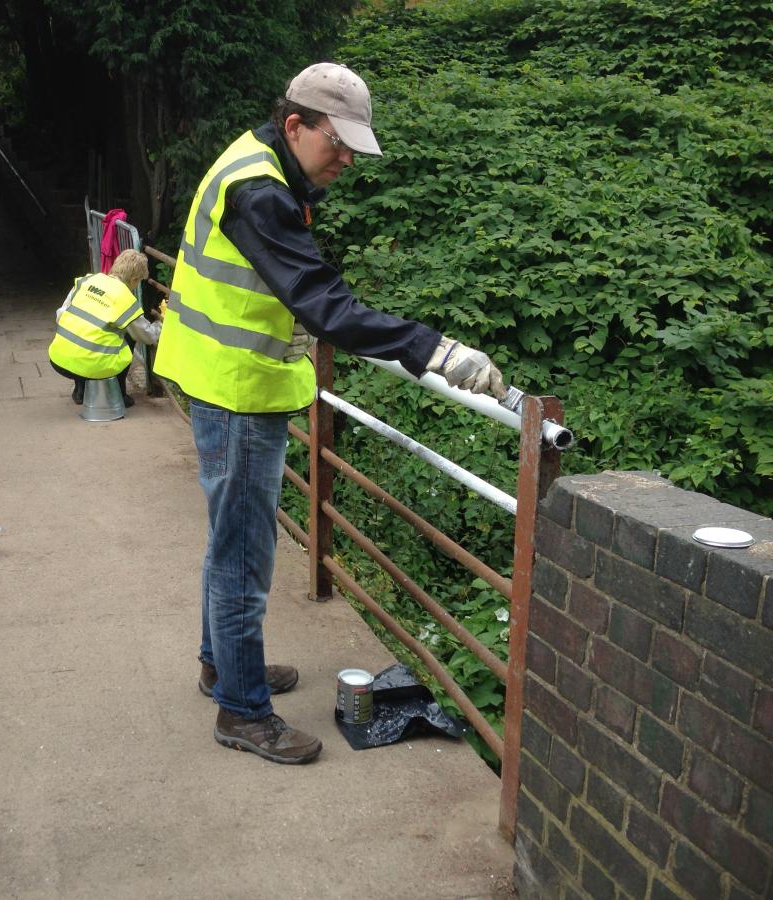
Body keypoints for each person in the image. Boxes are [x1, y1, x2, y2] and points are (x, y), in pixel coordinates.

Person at [154, 62, 507, 765]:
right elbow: (323, 305)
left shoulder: (259, 161)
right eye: (336, 141)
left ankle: (223, 666)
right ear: (295, 124)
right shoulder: (260, 189)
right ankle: (243, 712)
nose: (346, 158)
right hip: (236, 389)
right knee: (244, 556)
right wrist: (431, 349)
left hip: (225, 379)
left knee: (231, 543)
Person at [48, 249, 161, 407]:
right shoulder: (125, 298)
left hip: (58, 360)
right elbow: (146, 336)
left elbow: (61, 315)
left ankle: (80, 390)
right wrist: (160, 324)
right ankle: (118, 394)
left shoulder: (87, 281)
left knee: (82, 328)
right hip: (93, 366)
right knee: (129, 335)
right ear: (135, 280)